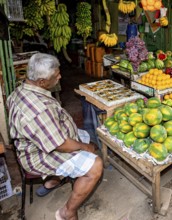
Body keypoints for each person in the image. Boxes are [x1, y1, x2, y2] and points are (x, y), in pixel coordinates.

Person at [7, 53, 103, 220]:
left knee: (85, 135)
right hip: (39, 155)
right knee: (95, 165)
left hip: (37, 142)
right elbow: (61, 145)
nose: (60, 76)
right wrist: (84, 147)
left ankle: (53, 181)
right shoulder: (38, 109)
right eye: (56, 75)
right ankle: (67, 212)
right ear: (42, 81)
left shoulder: (20, 90)